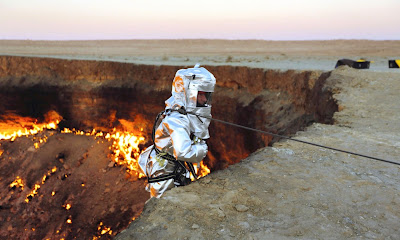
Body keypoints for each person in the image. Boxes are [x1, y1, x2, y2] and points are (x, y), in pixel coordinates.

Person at [138, 64, 216, 198]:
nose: (204, 100)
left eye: (207, 95)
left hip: (174, 167)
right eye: (201, 94)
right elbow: (183, 151)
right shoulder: (176, 121)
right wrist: (201, 149)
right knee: (162, 205)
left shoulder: (184, 113)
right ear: (188, 94)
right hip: (163, 171)